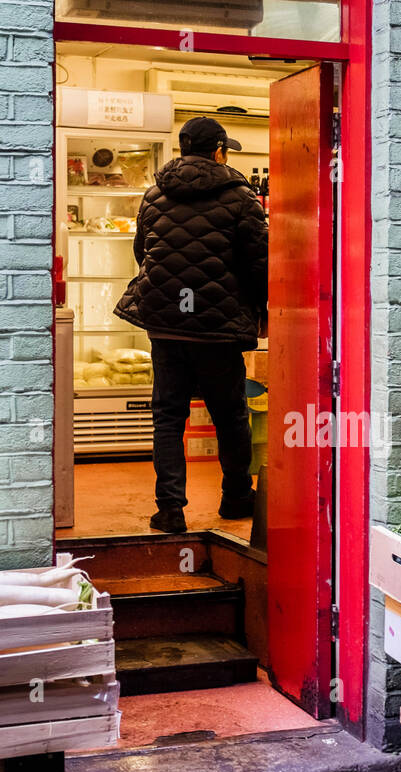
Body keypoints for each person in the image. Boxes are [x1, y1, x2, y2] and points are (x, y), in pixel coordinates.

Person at [115, 116, 268, 534]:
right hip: (216, 328)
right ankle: (236, 496)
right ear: (219, 151)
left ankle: (170, 511)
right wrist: (261, 310)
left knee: (167, 417)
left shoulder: (154, 195)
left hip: (166, 325)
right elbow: (260, 263)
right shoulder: (241, 198)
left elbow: (141, 254)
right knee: (230, 415)